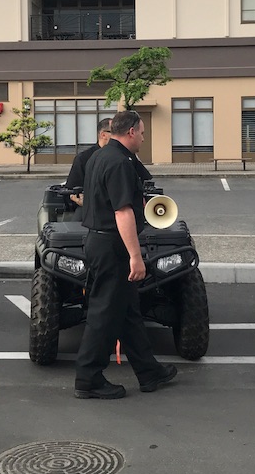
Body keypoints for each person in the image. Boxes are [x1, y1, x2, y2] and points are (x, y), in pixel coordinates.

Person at [73, 110, 177, 400]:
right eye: (142, 132)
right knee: (103, 313)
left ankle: (148, 371)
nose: (144, 137)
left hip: (99, 241)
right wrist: (135, 255)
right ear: (131, 131)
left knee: (129, 311)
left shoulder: (99, 156)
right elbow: (122, 211)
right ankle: (88, 378)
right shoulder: (119, 162)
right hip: (112, 246)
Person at [64, 117, 112, 218]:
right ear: (103, 135)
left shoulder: (127, 156)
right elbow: (72, 190)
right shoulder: (83, 158)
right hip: (91, 210)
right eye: (115, 133)